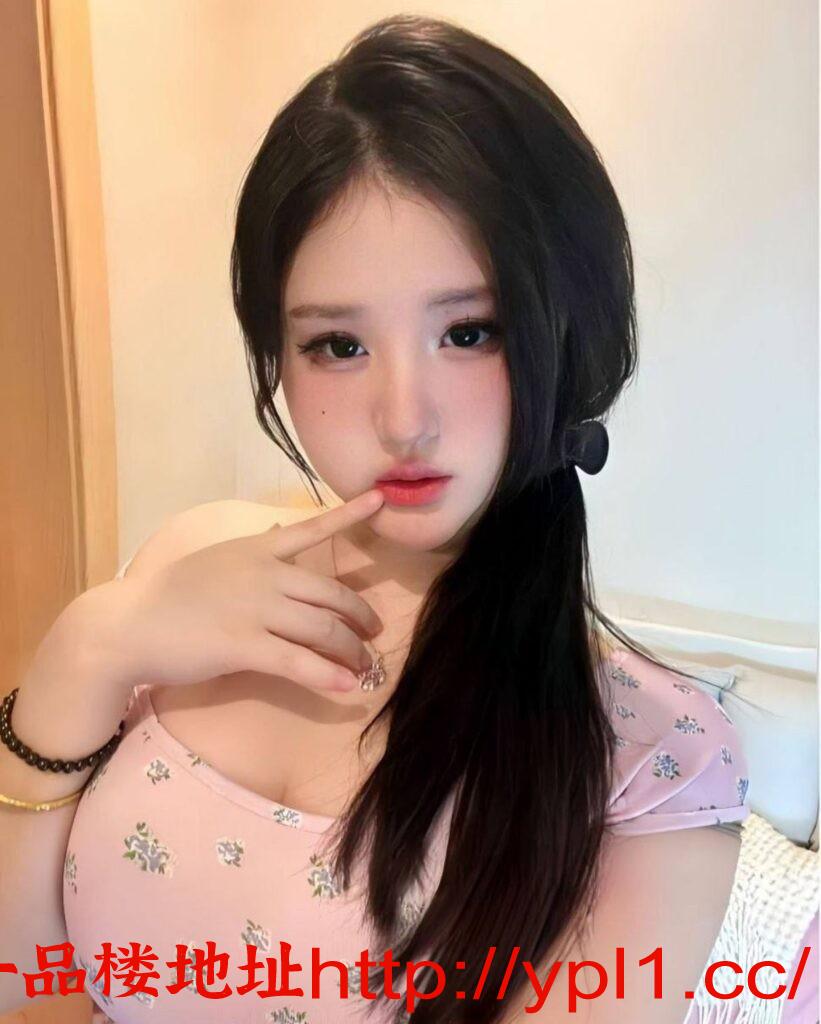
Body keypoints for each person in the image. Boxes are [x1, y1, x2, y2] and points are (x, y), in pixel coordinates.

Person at [6, 12, 802, 1024]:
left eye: (468, 331)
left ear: (566, 329)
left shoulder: (651, 755)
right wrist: (89, 647)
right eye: (338, 346)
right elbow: (19, 964)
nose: (402, 418)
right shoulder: (189, 569)